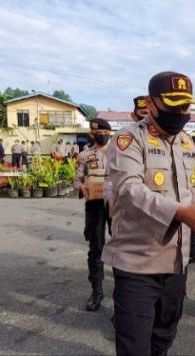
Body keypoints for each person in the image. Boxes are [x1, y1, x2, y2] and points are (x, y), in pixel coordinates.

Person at [102, 71, 195, 355]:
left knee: (164, 336)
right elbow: (129, 191)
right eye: (172, 105)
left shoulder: (188, 143)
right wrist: (180, 213)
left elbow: (192, 188)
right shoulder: (129, 139)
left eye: (185, 106)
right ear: (151, 104)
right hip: (137, 264)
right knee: (134, 346)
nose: (179, 113)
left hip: (177, 263)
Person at [74, 118, 114, 312]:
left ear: (109, 133)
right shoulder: (84, 156)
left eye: (103, 133)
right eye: (96, 132)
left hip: (116, 204)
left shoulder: (120, 153)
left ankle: (123, 289)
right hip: (95, 205)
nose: (99, 135)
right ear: (91, 134)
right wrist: (82, 187)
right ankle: (96, 291)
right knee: (96, 247)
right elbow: (77, 180)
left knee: (121, 245)